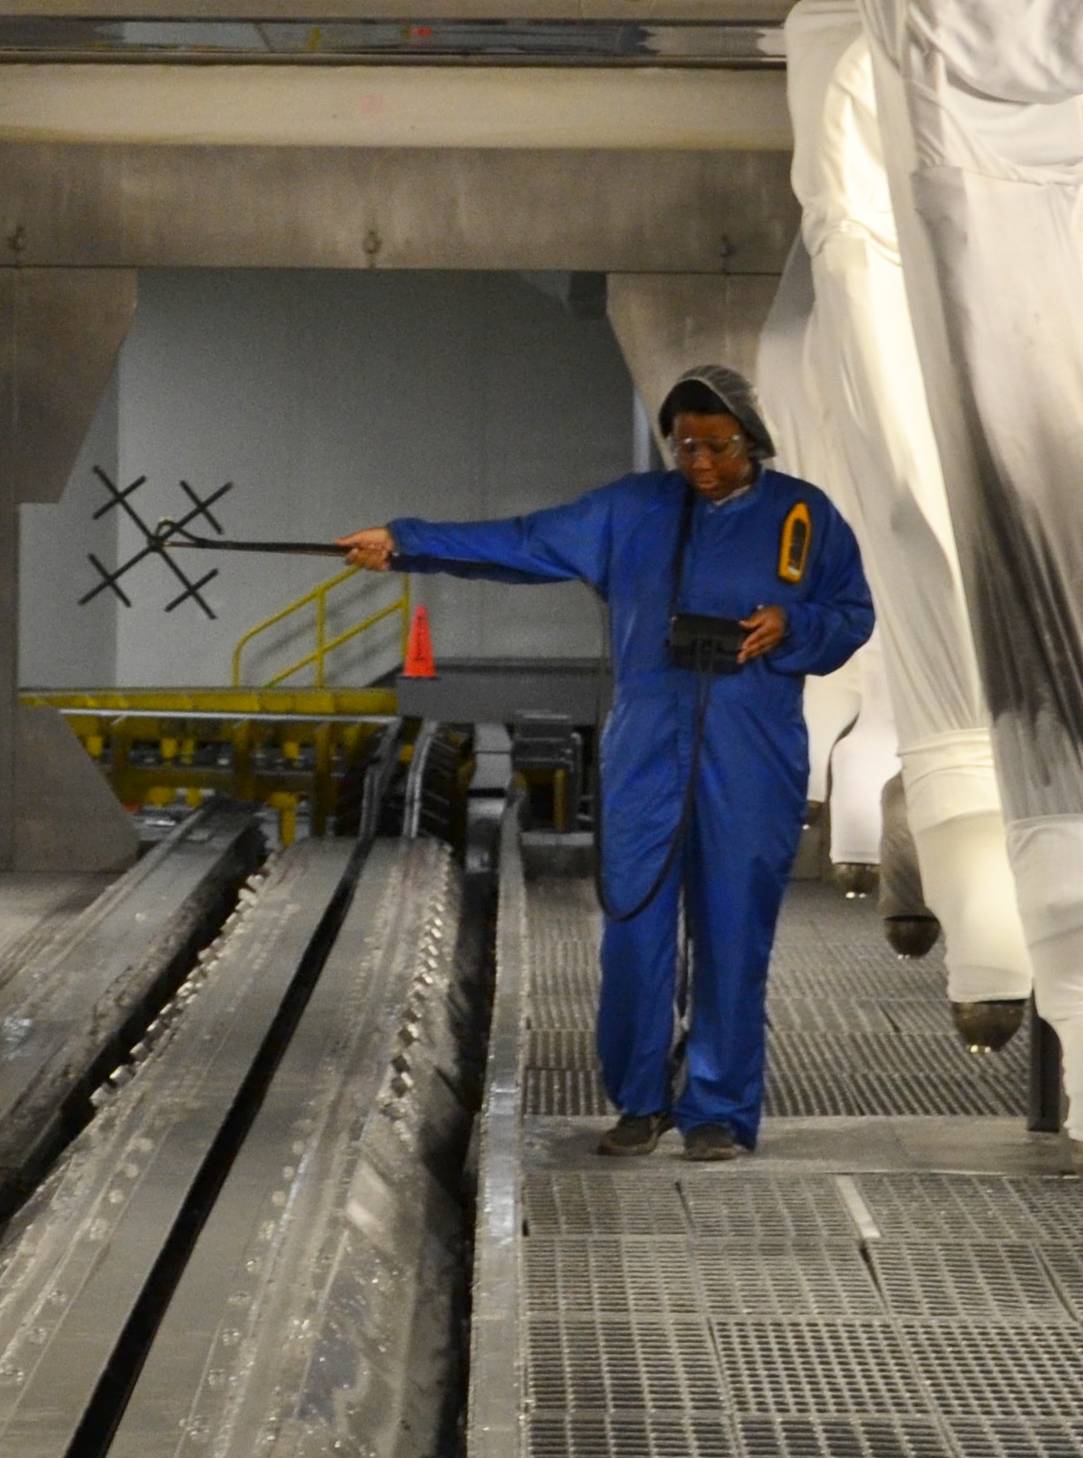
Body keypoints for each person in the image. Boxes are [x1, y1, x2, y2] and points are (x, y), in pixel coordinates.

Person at [339, 365, 874, 1161]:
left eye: (717, 447)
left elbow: (850, 615)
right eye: (685, 446)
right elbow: (522, 543)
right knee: (633, 928)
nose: (699, 463)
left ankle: (719, 1111)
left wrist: (789, 625)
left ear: (752, 442)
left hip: (752, 752)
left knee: (733, 931)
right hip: (648, 749)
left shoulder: (805, 514)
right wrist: (410, 541)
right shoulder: (632, 510)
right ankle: (638, 1101)